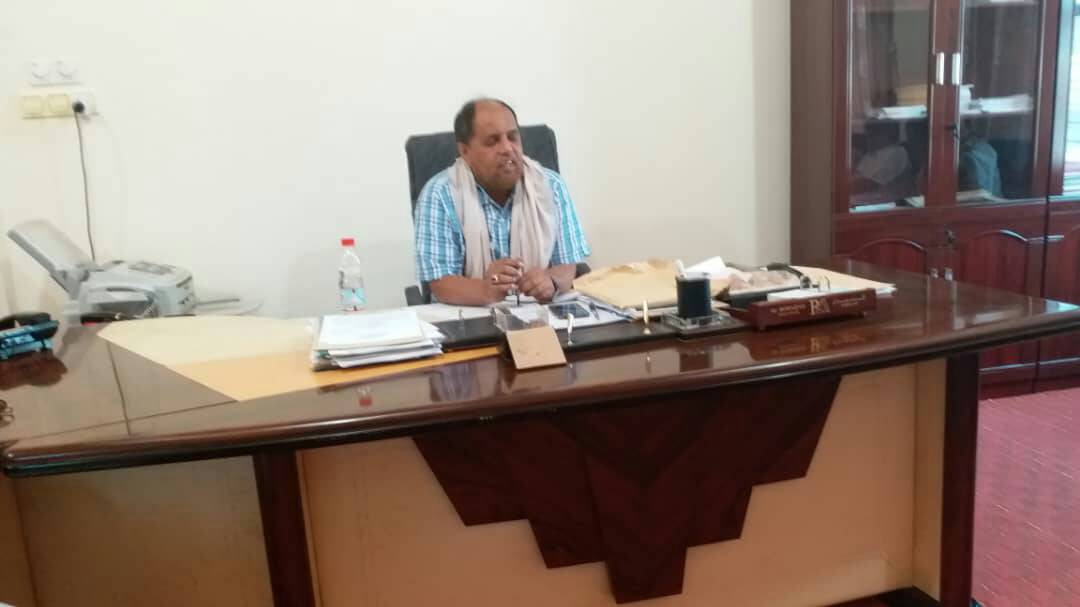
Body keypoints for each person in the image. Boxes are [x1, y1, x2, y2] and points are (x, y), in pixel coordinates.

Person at [413, 98, 590, 305]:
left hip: (541, 313)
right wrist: (485, 289)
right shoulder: (440, 194)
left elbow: (568, 265)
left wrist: (551, 281)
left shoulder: (551, 186)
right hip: (471, 315)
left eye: (513, 138)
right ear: (465, 151)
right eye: (492, 141)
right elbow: (441, 282)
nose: (507, 148)